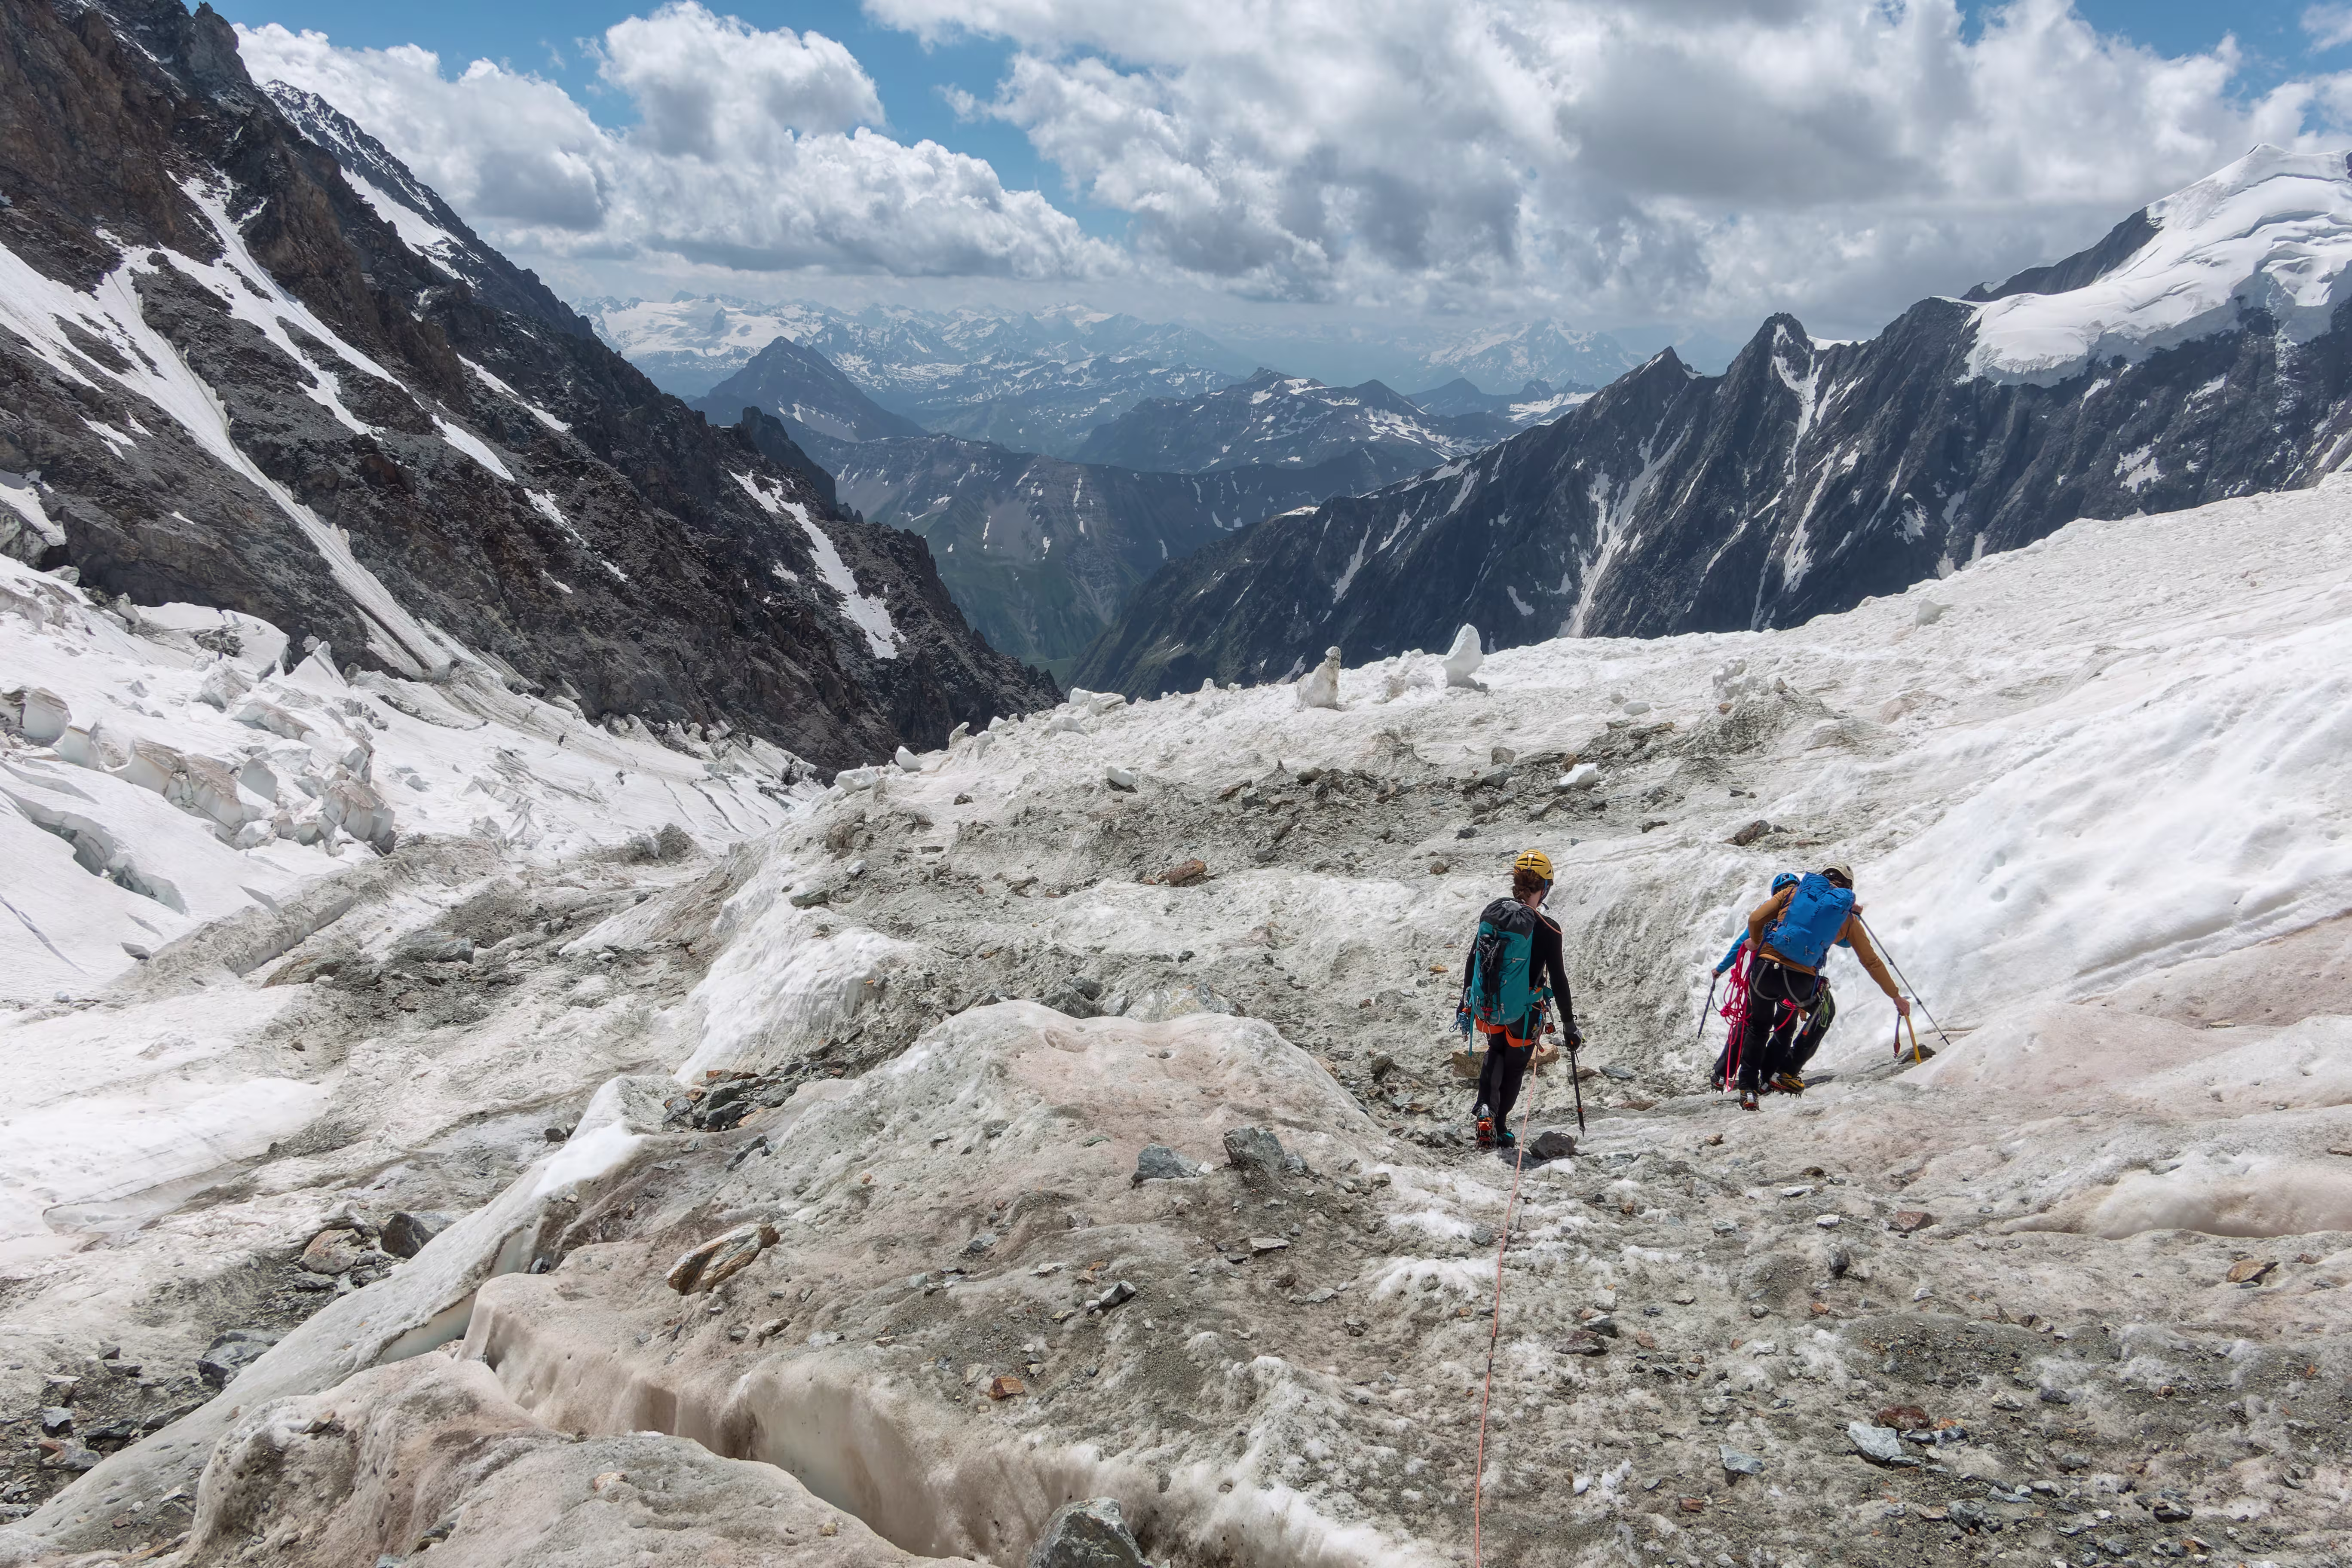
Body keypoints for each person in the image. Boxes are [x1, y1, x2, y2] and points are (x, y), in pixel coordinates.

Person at [1731, 861, 1906, 1110]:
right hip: (1800, 981)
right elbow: (1871, 961)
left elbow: (1756, 918)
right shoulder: (1845, 917)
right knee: (1825, 1011)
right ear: (1847, 887)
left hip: (1764, 971)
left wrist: (1757, 941)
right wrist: (1895, 996)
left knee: (1758, 1027)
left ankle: (1748, 1090)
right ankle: (1786, 1071)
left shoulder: (1792, 892)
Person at [1457, 850, 1581, 1148]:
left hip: (1488, 1006)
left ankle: (1485, 1109)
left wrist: (1465, 1002)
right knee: (1514, 1066)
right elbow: (1559, 979)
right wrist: (1569, 1024)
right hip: (1524, 1013)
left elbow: (1473, 958)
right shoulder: (1549, 928)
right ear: (1546, 887)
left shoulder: (1495, 915)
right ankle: (1499, 1126)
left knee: (1494, 1052)